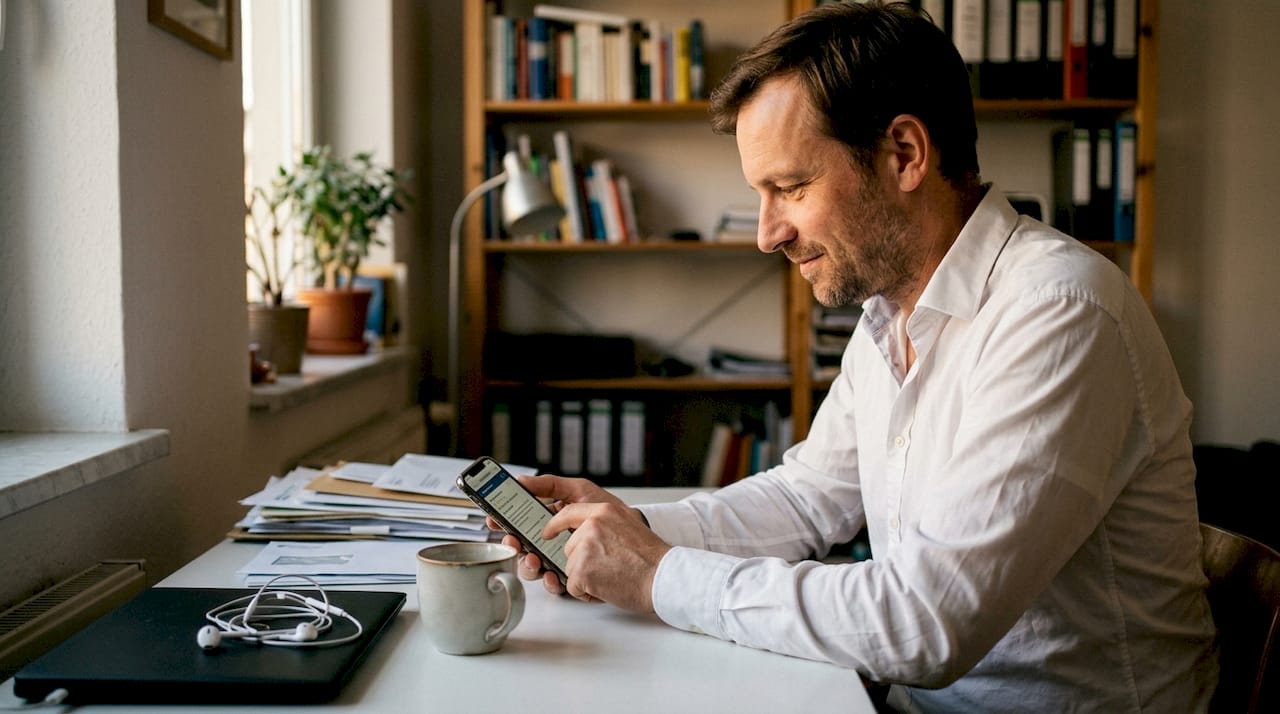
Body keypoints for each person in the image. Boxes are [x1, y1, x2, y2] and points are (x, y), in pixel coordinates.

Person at [497, 2, 1218, 710]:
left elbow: (926, 624)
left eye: (791, 187)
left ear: (904, 155)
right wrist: (628, 529)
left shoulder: (1059, 313)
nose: (767, 232)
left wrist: (657, 577)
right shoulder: (892, 314)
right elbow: (805, 498)